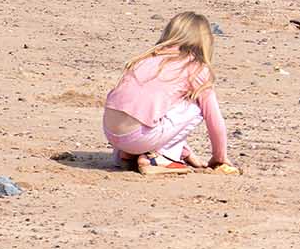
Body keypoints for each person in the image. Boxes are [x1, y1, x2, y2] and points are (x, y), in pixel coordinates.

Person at [102, 12, 237, 174]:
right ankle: (159, 159)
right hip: (139, 136)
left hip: (112, 134)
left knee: (161, 106)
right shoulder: (196, 68)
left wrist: (185, 153)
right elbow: (214, 119)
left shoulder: (146, 59)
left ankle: (129, 155)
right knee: (196, 106)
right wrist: (219, 157)